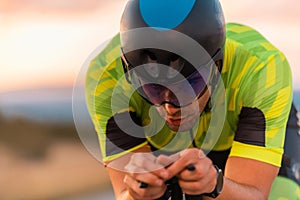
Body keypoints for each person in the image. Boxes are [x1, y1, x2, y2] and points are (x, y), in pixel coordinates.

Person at [85, 0, 294, 199]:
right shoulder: (107, 77)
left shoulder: (262, 70)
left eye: (190, 84)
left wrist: (215, 185)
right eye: (153, 88)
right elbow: (124, 192)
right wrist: (137, 194)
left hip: (236, 137)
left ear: (217, 67)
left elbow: (255, 193)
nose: (170, 106)